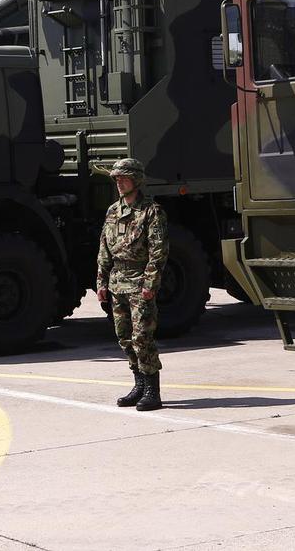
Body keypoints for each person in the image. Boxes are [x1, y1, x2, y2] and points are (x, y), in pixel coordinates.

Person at [96, 158, 168, 411]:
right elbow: (105, 250)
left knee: (142, 337)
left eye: (123, 178)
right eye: (116, 178)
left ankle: (152, 390)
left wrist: (150, 283)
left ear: (136, 180)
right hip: (118, 283)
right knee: (124, 337)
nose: (118, 182)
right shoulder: (113, 211)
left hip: (140, 283)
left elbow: (158, 252)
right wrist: (101, 281)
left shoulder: (151, 211)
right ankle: (138, 385)